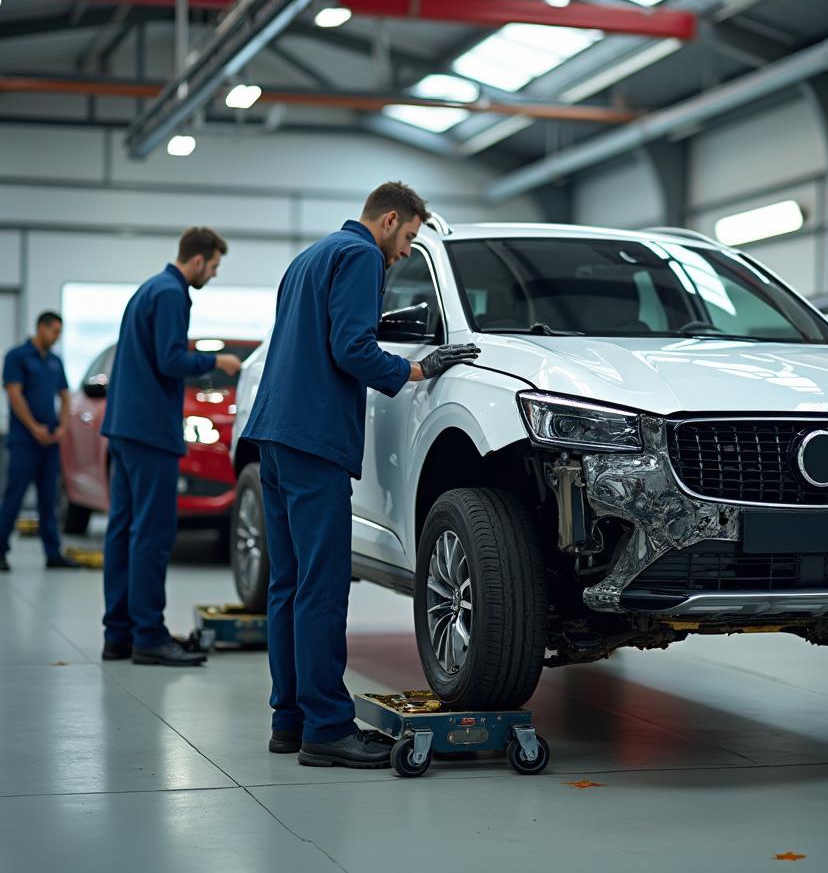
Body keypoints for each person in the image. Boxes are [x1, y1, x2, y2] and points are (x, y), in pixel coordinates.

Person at [243, 181, 480, 769]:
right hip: (314, 439)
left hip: (275, 435)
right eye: (409, 237)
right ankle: (327, 727)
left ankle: (289, 719)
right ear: (390, 219)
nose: (405, 252)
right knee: (321, 588)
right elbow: (351, 347)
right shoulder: (361, 255)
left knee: (289, 585)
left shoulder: (308, 257)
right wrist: (418, 368)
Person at [100, 227, 242, 666]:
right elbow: (170, 359)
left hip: (125, 429)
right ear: (197, 260)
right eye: (214, 266)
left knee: (123, 530)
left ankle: (119, 634)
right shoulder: (172, 293)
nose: (213, 275)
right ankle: (148, 636)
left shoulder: (148, 289)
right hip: (150, 433)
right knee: (153, 533)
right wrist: (216, 361)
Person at [0, 311, 80, 571]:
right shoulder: (17, 357)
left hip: (50, 443)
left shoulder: (55, 362)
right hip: (24, 441)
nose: (57, 337)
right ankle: (0, 550)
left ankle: (53, 553)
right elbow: (14, 394)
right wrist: (34, 428)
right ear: (40, 328)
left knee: (49, 499)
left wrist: (62, 428)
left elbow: (66, 397)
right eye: (54, 331)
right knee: (14, 496)